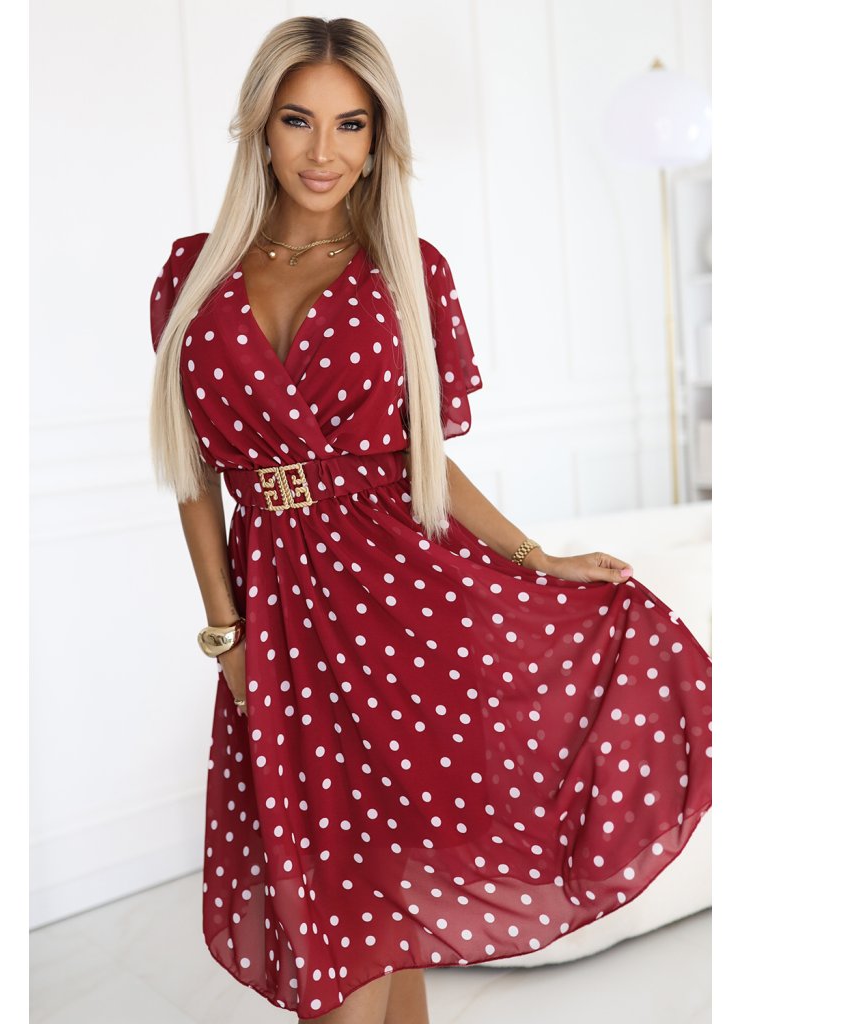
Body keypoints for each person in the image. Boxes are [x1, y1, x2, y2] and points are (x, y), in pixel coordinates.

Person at [148, 16, 712, 1024]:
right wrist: (225, 634)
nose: (323, 151)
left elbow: (422, 461)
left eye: (351, 124)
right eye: (299, 120)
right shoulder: (192, 274)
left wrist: (534, 555)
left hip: (400, 597)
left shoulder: (405, 268)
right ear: (260, 127)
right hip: (278, 608)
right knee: (341, 890)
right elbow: (192, 472)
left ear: (378, 140)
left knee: (377, 890)